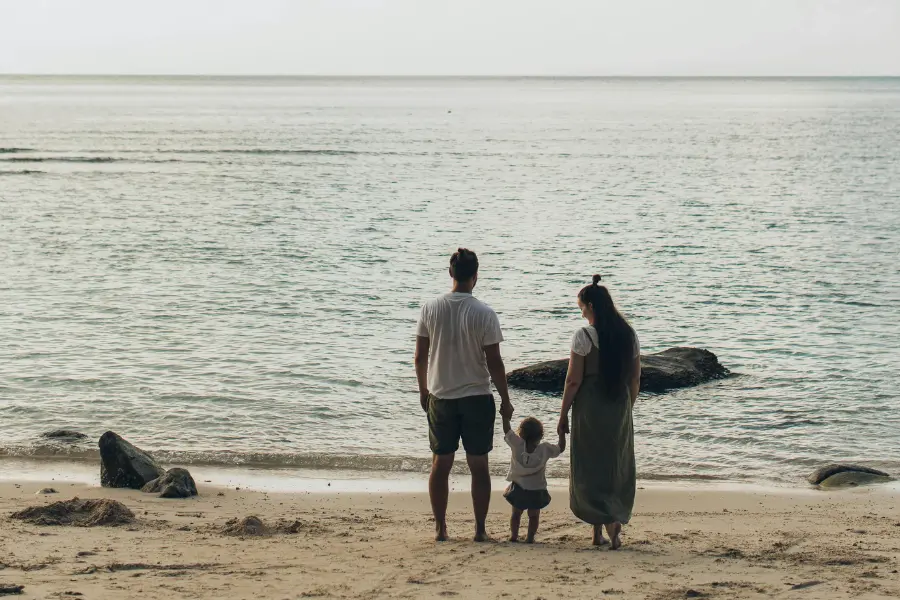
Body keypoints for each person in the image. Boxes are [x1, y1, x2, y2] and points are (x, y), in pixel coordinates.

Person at [415, 248, 514, 542]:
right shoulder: (484, 312)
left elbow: (420, 356)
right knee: (479, 465)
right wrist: (506, 400)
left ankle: (441, 528)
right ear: (475, 276)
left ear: (450, 273)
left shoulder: (430, 308)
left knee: (440, 463)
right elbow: (495, 362)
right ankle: (480, 529)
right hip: (476, 397)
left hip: (441, 395)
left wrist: (423, 390)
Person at [557, 275, 640, 550]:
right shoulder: (629, 335)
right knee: (615, 464)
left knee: (591, 465)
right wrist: (628, 406)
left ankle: (599, 530)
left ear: (591, 305)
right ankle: (611, 522)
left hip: (590, 407)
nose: (580, 311)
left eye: (581, 306)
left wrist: (562, 415)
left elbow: (573, 380)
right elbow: (635, 379)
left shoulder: (583, 336)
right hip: (619, 405)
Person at [501, 415, 564, 543]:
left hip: (519, 488)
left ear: (521, 433)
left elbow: (507, 430)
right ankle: (530, 537)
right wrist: (561, 432)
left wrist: (505, 416)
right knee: (534, 516)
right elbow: (560, 448)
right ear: (541, 435)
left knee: (516, 514)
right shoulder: (545, 449)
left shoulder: (517, 445)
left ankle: (514, 535)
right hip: (537, 489)